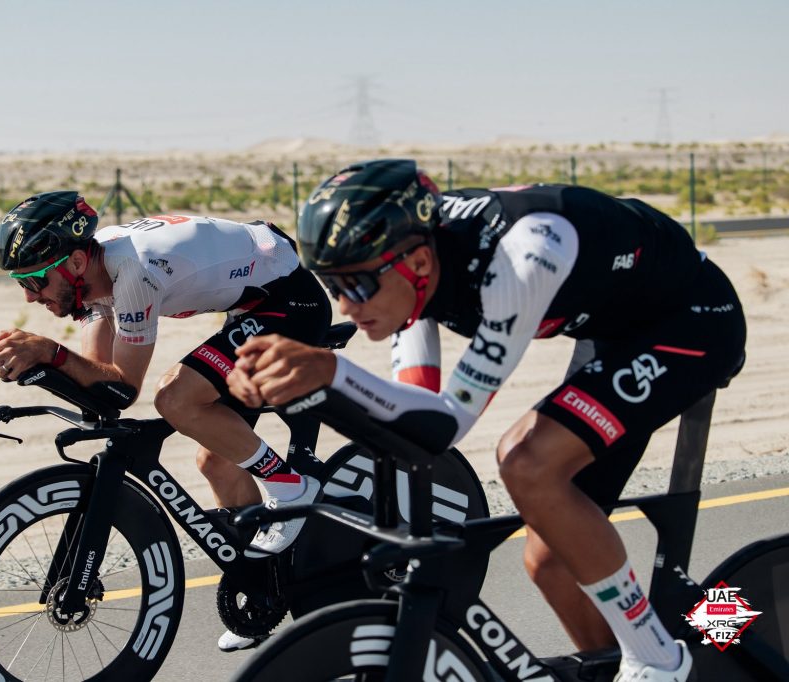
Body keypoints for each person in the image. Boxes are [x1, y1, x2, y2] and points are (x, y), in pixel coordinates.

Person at [227, 159, 747, 681]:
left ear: (420, 262)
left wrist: (330, 371)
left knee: (526, 463)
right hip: (615, 328)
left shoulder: (522, 258)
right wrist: (307, 388)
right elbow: (413, 421)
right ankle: (699, 642)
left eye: (358, 285)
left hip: (693, 318)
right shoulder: (416, 268)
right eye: (332, 285)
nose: (345, 305)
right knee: (552, 562)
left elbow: (446, 424)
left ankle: (658, 657)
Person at [0, 191, 332, 649]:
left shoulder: (134, 272)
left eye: (34, 279)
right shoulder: (94, 280)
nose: (31, 297)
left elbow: (124, 384)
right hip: (253, 305)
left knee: (176, 398)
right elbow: (101, 388)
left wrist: (50, 352)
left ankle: (291, 487)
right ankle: (263, 592)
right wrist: (46, 368)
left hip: (291, 302)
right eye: (21, 284)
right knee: (217, 460)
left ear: (72, 263)